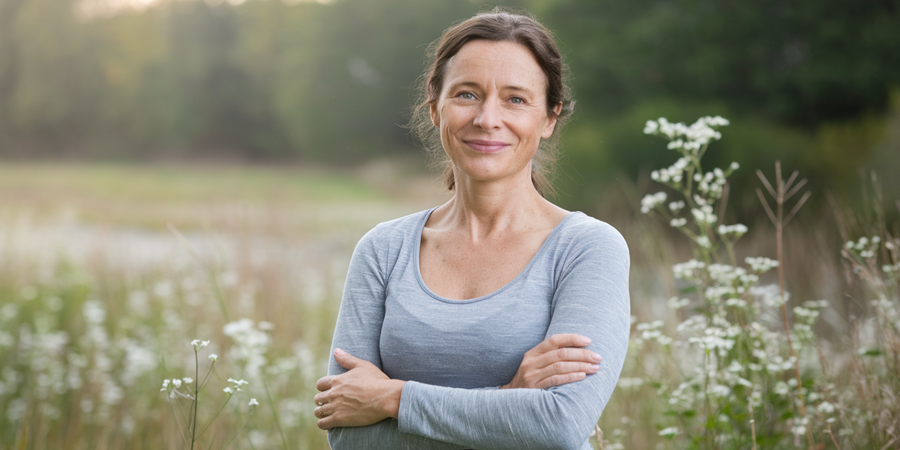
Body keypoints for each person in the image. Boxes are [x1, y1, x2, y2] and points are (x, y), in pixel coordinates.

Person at [313, 8, 630, 450]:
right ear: (435, 108)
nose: (487, 118)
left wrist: (392, 398)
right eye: (467, 94)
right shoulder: (382, 250)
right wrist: (508, 400)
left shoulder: (587, 249)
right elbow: (347, 434)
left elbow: (559, 425)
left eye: (516, 99)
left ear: (549, 118)